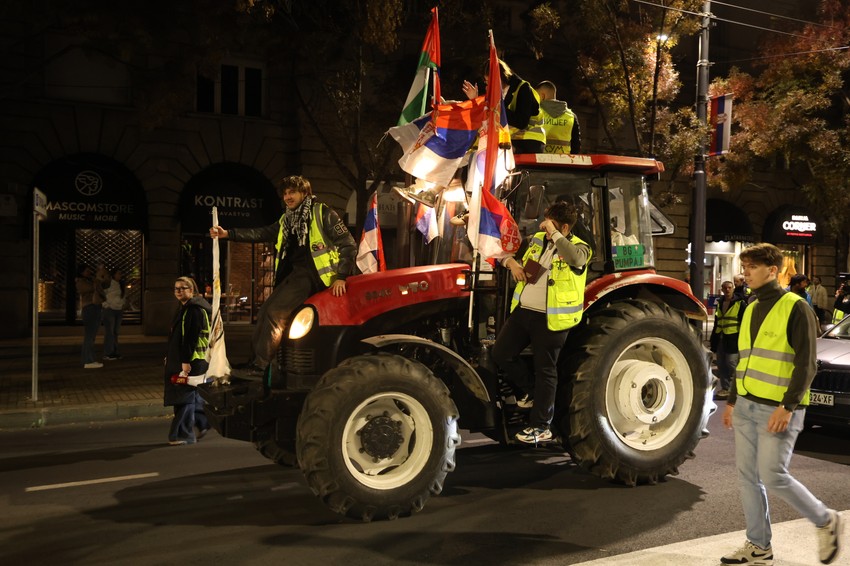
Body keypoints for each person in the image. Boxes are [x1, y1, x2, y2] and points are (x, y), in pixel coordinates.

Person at [721, 243, 842, 566]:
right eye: (744, 266)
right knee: (748, 477)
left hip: (778, 408)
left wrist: (788, 407)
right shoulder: (749, 306)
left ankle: (825, 520)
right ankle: (759, 546)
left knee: (772, 475)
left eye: (751, 267)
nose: (745, 272)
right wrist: (732, 401)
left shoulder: (795, 307)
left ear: (772, 270)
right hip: (747, 404)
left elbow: (807, 364)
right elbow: (746, 360)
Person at [209, 175, 357, 378]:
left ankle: (261, 366)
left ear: (304, 193)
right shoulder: (287, 219)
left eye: (292, 192)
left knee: (275, 313)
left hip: (315, 277)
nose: (287, 197)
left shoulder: (322, 213)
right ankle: (255, 362)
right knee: (263, 313)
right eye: (285, 193)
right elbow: (261, 233)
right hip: (295, 274)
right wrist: (229, 234)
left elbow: (348, 243)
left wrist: (341, 276)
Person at [493, 201, 591, 444]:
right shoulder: (538, 239)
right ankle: (533, 391)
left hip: (552, 320)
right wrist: (512, 264)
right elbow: (506, 254)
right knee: (501, 354)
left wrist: (556, 235)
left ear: (565, 228)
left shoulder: (581, 248)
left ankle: (541, 426)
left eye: (551, 225)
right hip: (524, 311)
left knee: (546, 370)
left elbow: (575, 260)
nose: (544, 228)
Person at [163, 276, 211, 445]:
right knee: (190, 393)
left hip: (193, 360)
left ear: (192, 291)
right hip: (189, 359)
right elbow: (177, 337)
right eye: (176, 288)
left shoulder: (193, 310)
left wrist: (184, 361)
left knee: (184, 396)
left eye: (183, 288)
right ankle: (203, 422)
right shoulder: (185, 308)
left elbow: (190, 338)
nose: (179, 291)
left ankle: (181, 434)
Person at [462, 59, 545, 154]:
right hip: (507, 142)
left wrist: (496, 107)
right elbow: (486, 118)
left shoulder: (523, 88)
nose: (489, 85)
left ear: (501, 76)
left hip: (528, 141)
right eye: (486, 82)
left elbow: (521, 122)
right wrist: (475, 101)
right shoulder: (496, 95)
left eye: (491, 81)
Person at [710, 280, 746, 399]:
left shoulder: (740, 303)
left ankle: (735, 388)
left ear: (733, 288)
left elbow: (744, 322)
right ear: (722, 289)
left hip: (733, 338)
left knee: (731, 364)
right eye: (725, 288)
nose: (727, 290)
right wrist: (713, 340)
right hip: (721, 337)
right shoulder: (720, 302)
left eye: (730, 287)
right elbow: (717, 321)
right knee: (721, 364)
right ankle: (726, 388)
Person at [75, 263, 110, 369]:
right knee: (89, 336)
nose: (89, 272)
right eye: (86, 270)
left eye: (89, 270)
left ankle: (89, 359)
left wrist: (104, 274)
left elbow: (105, 284)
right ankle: (88, 360)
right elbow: (88, 289)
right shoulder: (80, 281)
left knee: (91, 336)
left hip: (96, 308)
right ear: (81, 272)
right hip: (89, 309)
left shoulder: (91, 279)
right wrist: (98, 279)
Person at [535, 80, 581, 154]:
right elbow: (576, 145)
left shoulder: (535, 113)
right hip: (564, 162)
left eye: (537, 95)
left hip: (540, 160)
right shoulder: (571, 116)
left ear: (543, 96)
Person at [102, 268, 126, 361]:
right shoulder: (108, 283)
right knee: (110, 332)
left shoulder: (121, 284)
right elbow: (102, 294)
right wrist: (106, 305)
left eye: (121, 273)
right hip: (110, 309)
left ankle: (114, 352)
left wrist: (122, 304)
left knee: (115, 332)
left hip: (118, 310)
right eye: (118, 273)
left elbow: (123, 296)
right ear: (113, 275)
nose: (120, 275)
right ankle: (108, 353)